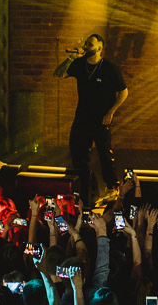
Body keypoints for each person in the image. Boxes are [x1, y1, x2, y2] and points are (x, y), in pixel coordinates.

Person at [54, 34, 128, 203]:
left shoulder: (109, 68)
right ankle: (87, 190)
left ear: (99, 48)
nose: (86, 46)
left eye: (90, 44)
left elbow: (124, 92)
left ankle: (112, 188)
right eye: (86, 43)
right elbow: (58, 74)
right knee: (78, 155)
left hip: (101, 118)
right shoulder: (80, 64)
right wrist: (72, 57)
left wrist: (111, 112)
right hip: (82, 117)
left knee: (105, 154)